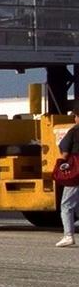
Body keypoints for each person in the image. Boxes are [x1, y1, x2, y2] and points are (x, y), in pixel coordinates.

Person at [56, 104, 79, 248]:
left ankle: (68, 235)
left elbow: (64, 153)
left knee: (66, 205)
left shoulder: (73, 132)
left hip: (76, 173)